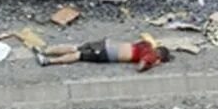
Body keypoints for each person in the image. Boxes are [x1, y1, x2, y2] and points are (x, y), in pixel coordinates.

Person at [35, 39, 171, 70]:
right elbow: (140, 67)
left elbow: (137, 42)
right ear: (160, 57)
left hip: (107, 43)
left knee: (75, 47)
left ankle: (44, 51)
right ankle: (48, 61)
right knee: (78, 55)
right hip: (109, 54)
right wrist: (153, 65)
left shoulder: (147, 44)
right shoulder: (151, 56)